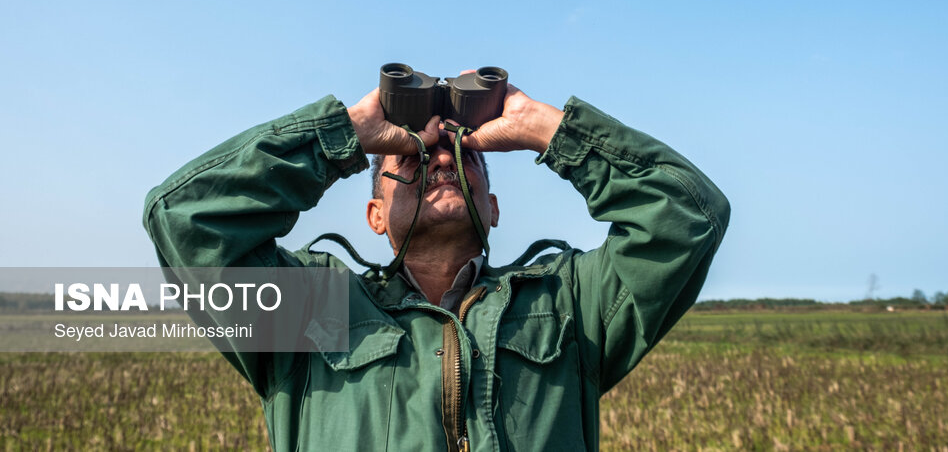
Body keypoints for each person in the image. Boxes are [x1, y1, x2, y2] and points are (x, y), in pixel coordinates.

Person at [143, 74, 730, 451]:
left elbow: (688, 216)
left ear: (492, 209)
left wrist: (545, 129)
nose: (441, 159)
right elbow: (186, 217)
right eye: (412, 157)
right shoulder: (309, 309)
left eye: (464, 156)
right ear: (375, 215)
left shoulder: (571, 302)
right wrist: (341, 137)